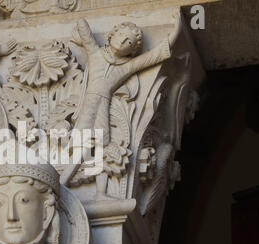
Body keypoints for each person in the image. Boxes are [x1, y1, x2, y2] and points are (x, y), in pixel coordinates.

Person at [61, 13, 182, 186]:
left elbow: (153, 56)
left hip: (103, 106)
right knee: (81, 145)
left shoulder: (126, 67)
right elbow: (84, 28)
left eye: (129, 42)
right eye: (121, 35)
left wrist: (176, 31)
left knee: (103, 147)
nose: (123, 41)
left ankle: (95, 188)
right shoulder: (95, 53)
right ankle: (64, 180)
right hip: (88, 106)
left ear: (132, 51)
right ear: (112, 34)